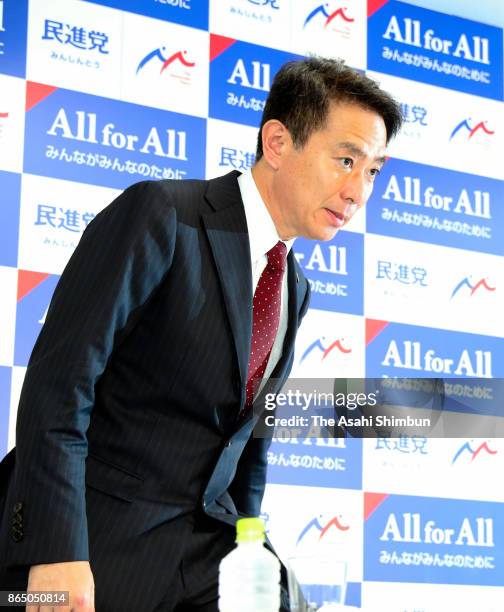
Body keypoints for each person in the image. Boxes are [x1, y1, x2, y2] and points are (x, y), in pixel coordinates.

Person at [0, 57, 401, 611]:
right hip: (95, 538)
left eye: (374, 170)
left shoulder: (294, 283)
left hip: (208, 550)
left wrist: (254, 551)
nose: (359, 191)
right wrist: (56, 551)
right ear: (279, 142)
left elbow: (248, 445)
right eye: (345, 159)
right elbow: (58, 386)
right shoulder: (163, 214)